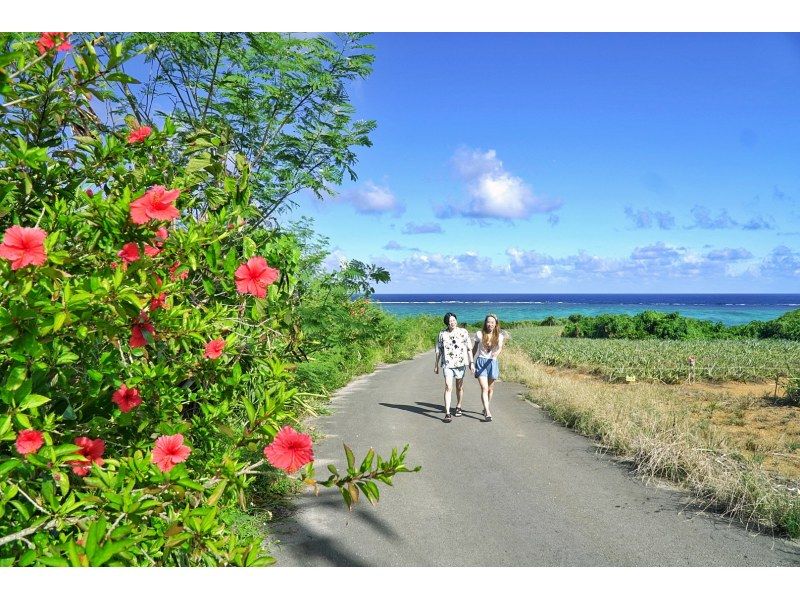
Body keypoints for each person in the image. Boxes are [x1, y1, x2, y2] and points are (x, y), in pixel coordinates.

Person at [434, 312, 474, 422]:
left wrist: (471, 362)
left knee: (459, 387)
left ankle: (458, 406)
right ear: (447, 322)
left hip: (460, 364)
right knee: (448, 386)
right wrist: (436, 365)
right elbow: (438, 350)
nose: (452, 322)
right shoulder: (442, 334)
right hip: (447, 364)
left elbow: (469, 348)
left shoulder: (463, 332)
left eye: (454, 320)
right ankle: (447, 413)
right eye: (450, 321)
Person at [472, 314, 504, 422]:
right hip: (481, 362)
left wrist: (496, 354)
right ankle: (487, 411)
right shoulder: (479, 334)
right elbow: (474, 348)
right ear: (485, 323)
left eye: (492, 322)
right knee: (484, 388)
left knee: (490, 389)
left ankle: (486, 407)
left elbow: (500, 348)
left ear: (496, 324)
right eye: (488, 322)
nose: (490, 324)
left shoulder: (499, 336)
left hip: (492, 363)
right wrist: (471, 362)